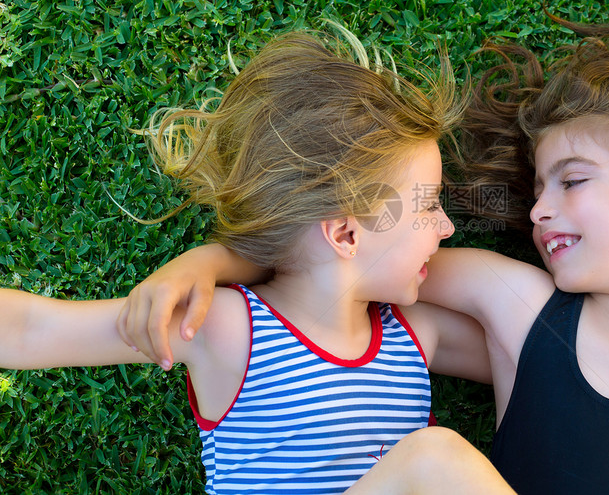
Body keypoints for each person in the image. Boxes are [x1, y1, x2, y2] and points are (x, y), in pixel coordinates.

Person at [119, 0, 609, 494]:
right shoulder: (515, 303)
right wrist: (211, 257)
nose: (538, 211)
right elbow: (344, 241)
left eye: (571, 181)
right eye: (536, 191)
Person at [0, 29, 516, 495]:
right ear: (346, 234)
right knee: (434, 459)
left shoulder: (415, 334)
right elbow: (31, 329)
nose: (448, 226)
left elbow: (536, 359)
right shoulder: (230, 328)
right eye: (426, 207)